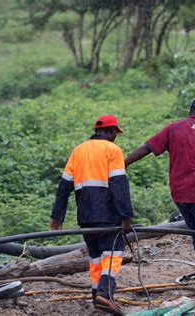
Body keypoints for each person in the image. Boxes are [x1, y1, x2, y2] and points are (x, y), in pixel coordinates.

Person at [125, 97, 195, 295]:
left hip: (179, 193)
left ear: (191, 111)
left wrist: (124, 163)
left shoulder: (173, 128)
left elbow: (147, 148)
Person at [50, 115, 132, 314]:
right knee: (112, 254)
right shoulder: (113, 150)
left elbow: (64, 186)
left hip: (86, 217)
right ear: (111, 132)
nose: (116, 138)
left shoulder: (78, 150)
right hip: (108, 216)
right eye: (115, 134)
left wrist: (57, 216)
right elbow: (119, 185)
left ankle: (97, 296)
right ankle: (105, 294)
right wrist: (126, 216)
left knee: (95, 257)